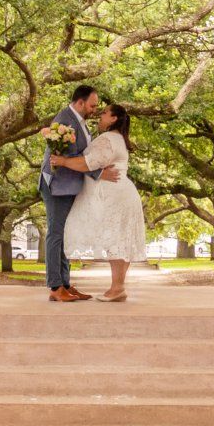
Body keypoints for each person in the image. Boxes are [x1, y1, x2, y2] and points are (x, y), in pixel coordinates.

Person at [39, 84, 120, 302]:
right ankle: (55, 287)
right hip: (57, 185)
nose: (95, 110)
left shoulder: (79, 122)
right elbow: (70, 159)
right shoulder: (65, 120)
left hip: (69, 186)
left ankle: (65, 283)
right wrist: (99, 173)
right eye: (92, 105)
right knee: (55, 234)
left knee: (64, 235)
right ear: (80, 102)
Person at [60, 104, 145, 302]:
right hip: (124, 193)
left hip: (115, 195)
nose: (101, 114)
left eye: (105, 113)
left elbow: (88, 163)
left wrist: (62, 161)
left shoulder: (108, 139)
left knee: (115, 240)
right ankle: (119, 287)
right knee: (120, 241)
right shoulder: (119, 140)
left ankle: (117, 288)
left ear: (114, 118)